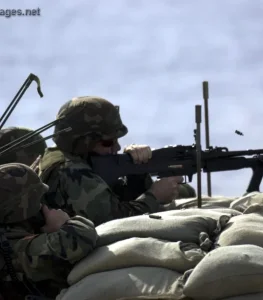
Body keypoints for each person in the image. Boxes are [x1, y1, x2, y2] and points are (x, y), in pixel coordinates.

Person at [38, 96, 195, 226]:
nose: (117, 147)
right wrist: (154, 197)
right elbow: (113, 221)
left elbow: (113, 198)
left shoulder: (57, 154)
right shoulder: (72, 171)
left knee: (186, 192)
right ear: (84, 142)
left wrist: (136, 171)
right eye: (107, 143)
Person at [0, 163, 98, 299]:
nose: (44, 206)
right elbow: (81, 237)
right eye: (39, 200)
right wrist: (64, 223)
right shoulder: (15, 250)